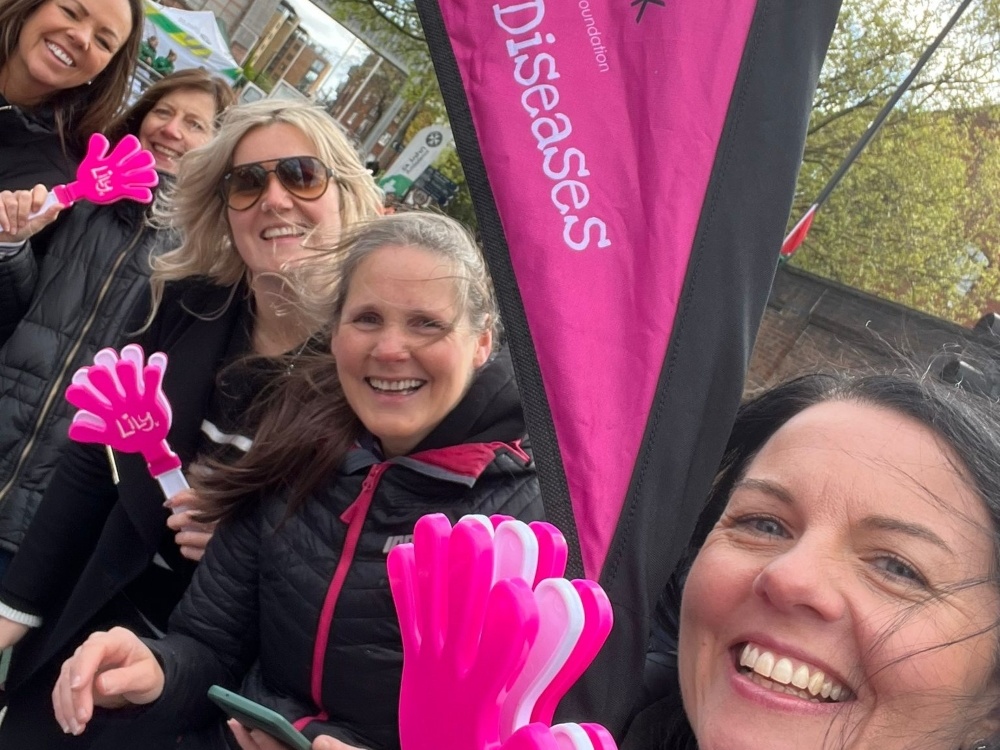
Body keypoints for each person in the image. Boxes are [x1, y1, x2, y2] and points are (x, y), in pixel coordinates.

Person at [49, 211, 544, 750]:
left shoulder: (530, 518)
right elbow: (209, 646)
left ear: (481, 343)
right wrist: (156, 671)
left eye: (427, 323)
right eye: (367, 318)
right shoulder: (295, 448)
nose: (391, 348)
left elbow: (526, 727)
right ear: (333, 335)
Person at [0, 99, 385, 748]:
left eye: (301, 174)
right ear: (223, 205)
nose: (274, 197)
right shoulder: (184, 304)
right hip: (96, 617)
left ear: (346, 195)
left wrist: (249, 542)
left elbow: (364, 563)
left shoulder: (376, 366)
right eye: (246, 181)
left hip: (229, 688)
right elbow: (96, 461)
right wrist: (14, 611)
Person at [622, 370, 1000, 750]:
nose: (788, 577)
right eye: (764, 525)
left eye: (896, 567)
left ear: (993, 695)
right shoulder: (578, 707)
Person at [0, 69, 236, 580]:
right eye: (164, 112)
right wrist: (12, 244)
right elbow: (18, 303)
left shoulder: (210, 257)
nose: (171, 130)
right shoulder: (80, 196)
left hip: (57, 501)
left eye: (195, 124)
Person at [0, 0, 144, 191]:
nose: (81, 37)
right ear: (32, 8)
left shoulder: (56, 180)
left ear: (105, 71)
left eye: (103, 41)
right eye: (70, 12)